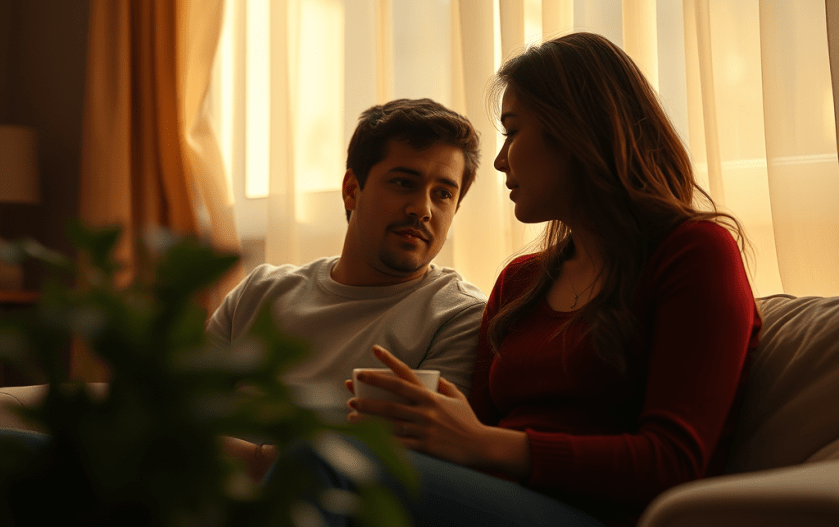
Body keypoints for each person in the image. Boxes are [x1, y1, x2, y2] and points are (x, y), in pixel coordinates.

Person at [282, 33, 762, 527]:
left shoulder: (695, 253)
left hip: (602, 516)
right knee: (333, 457)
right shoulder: (520, 283)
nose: (499, 160)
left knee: (325, 462)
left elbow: (673, 462)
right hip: (496, 503)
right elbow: (475, 439)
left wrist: (485, 444)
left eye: (512, 132)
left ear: (574, 132)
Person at [206, 98, 486, 411]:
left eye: (443, 194)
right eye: (403, 183)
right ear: (352, 190)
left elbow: (417, 439)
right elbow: (180, 412)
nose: (422, 209)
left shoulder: (459, 317)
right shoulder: (258, 293)